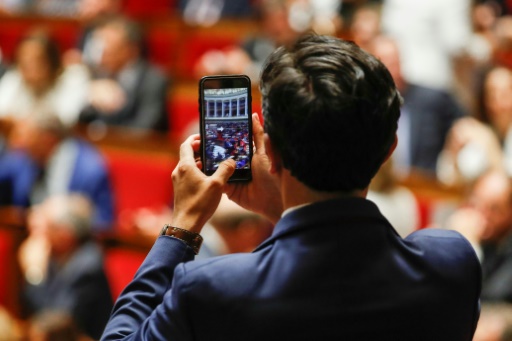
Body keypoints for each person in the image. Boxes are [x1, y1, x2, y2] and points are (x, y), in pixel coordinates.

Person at [101, 34, 481, 340]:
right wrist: (283, 205)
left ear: (269, 149)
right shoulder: (451, 264)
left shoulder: (212, 289)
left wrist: (181, 227)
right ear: (388, 151)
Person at [19, 194, 113, 340]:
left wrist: (34, 273)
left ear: (65, 234)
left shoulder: (88, 267)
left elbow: (57, 324)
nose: (38, 235)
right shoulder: (55, 254)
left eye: (47, 227)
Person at [0, 114, 114, 229]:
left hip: (68, 239)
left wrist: (68, 219)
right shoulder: (24, 157)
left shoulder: (90, 169)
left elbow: (104, 222)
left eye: (26, 136)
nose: (17, 142)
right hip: (27, 231)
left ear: (47, 139)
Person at [79, 16, 169, 133]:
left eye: (108, 49)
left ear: (131, 50)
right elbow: (80, 122)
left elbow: (145, 128)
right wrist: (90, 101)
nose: (101, 55)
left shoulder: (154, 80)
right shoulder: (98, 75)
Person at [446, 170, 512, 303]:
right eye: (478, 203)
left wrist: (469, 247)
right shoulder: (486, 238)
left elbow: (490, 297)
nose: (482, 215)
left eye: (494, 209)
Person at [0, 32, 90, 128]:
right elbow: (2, 113)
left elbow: (66, 120)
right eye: (23, 62)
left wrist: (20, 122)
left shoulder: (73, 77)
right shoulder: (14, 77)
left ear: (52, 62)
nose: (28, 68)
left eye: (36, 61)